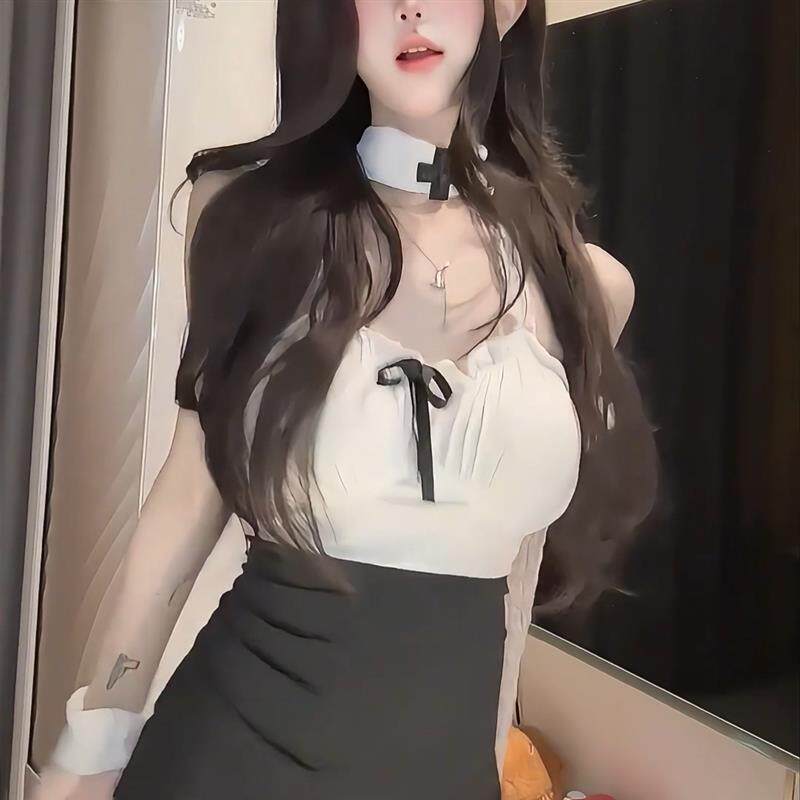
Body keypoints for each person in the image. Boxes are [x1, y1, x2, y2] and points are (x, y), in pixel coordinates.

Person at [35, 1, 658, 798]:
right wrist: (89, 753)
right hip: (227, 761)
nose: (410, 7)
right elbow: (186, 502)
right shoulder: (248, 220)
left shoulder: (586, 288)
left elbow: (517, 576)